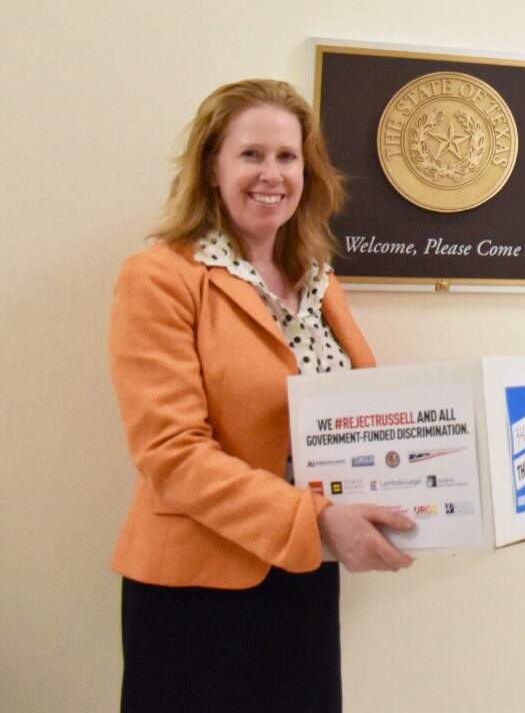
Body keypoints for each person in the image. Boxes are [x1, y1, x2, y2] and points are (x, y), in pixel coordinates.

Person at [109, 79, 415, 713]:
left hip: (304, 573)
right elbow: (171, 452)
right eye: (251, 154)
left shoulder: (319, 279)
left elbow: (359, 415)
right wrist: (317, 519)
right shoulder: (160, 278)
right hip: (198, 589)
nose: (270, 174)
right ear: (212, 167)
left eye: (287, 156)